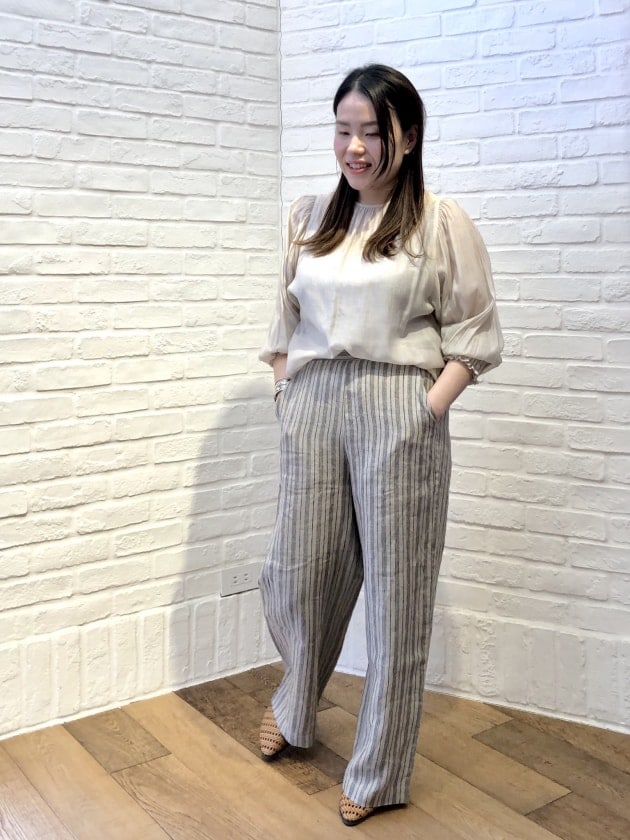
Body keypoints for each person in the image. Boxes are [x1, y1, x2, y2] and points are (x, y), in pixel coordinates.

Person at [258, 64, 503, 828]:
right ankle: (294, 704)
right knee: (298, 570)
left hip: (399, 404)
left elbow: (475, 334)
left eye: (373, 132)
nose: (356, 148)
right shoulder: (309, 217)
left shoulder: (438, 220)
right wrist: (285, 392)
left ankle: (380, 769)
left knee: (398, 594)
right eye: (344, 130)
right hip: (314, 399)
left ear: (409, 136)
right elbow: (283, 323)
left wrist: (427, 409)